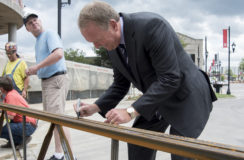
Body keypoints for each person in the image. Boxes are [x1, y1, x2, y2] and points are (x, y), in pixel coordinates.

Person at [76, 1, 217, 160]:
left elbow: (170, 78)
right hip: (158, 99)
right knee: (138, 143)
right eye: (92, 42)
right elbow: (120, 84)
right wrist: (95, 107)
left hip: (187, 97)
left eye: (97, 40)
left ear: (113, 25)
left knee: (181, 153)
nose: (96, 46)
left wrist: (130, 112)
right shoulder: (112, 46)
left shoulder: (152, 26)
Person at [24, 13, 72, 160]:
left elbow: (58, 54)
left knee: (58, 118)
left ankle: (62, 155)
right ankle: (64, 154)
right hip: (48, 80)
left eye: (35, 20)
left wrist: (36, 67)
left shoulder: (49, 34)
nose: (34, 23)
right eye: (30, 23)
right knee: (55, 118)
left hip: (55, 79)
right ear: (27, 28)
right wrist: (35, 71)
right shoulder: (38, 41)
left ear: (40, 20)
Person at [0, 76, 37, 149]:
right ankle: (14, 141)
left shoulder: (11, 96)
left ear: (1, 89)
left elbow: (10, 115)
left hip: (27, 126)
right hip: (27, 123)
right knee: (3, 126)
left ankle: (21, 140)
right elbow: (4, 107)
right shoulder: (12, 93)